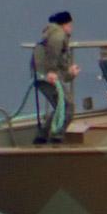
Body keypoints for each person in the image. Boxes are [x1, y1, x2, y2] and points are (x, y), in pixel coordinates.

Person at [31, 10, 78, 143]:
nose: (71, 28)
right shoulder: (58, 35)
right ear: (65, 24)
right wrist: (51, 72)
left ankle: (42, 137)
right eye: (70, 25)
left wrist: (70, 73)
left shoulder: (51, 35)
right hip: (47, 76)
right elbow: (53, 54)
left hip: (41, 76)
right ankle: (56, 137)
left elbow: (60, 64)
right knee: (68, 106)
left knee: (60, 107)